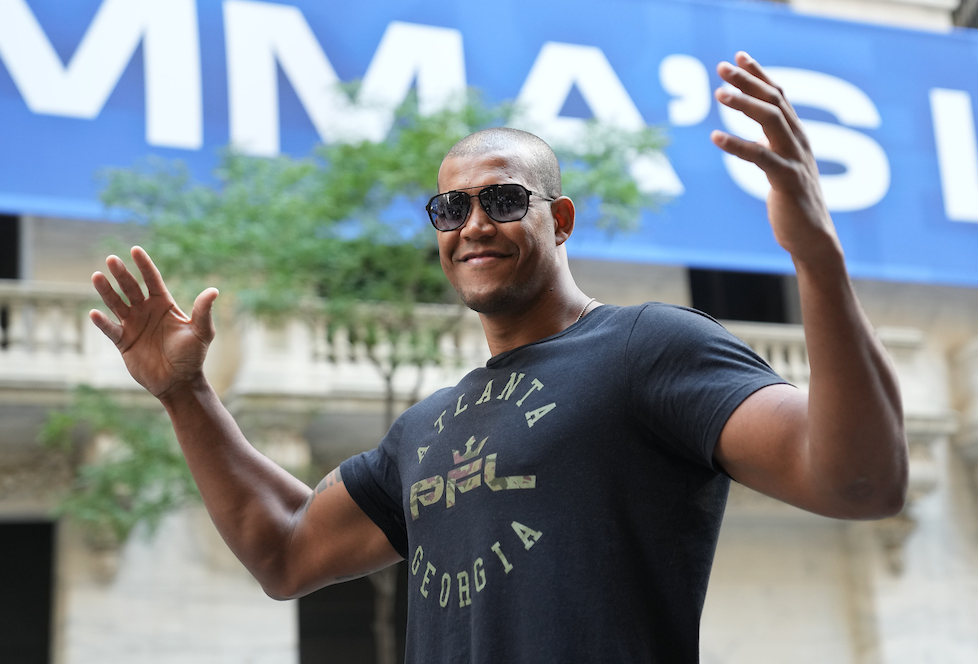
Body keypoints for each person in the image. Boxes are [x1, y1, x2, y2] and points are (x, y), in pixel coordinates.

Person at [90, 52, 907, 663]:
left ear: (561, 218)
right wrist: (185, 395)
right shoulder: (425, 430)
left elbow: (859, 480)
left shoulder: (647, 349)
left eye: (503, 199)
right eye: (451, 207)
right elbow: (285, 549)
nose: (473, 223)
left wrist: (817, 258)